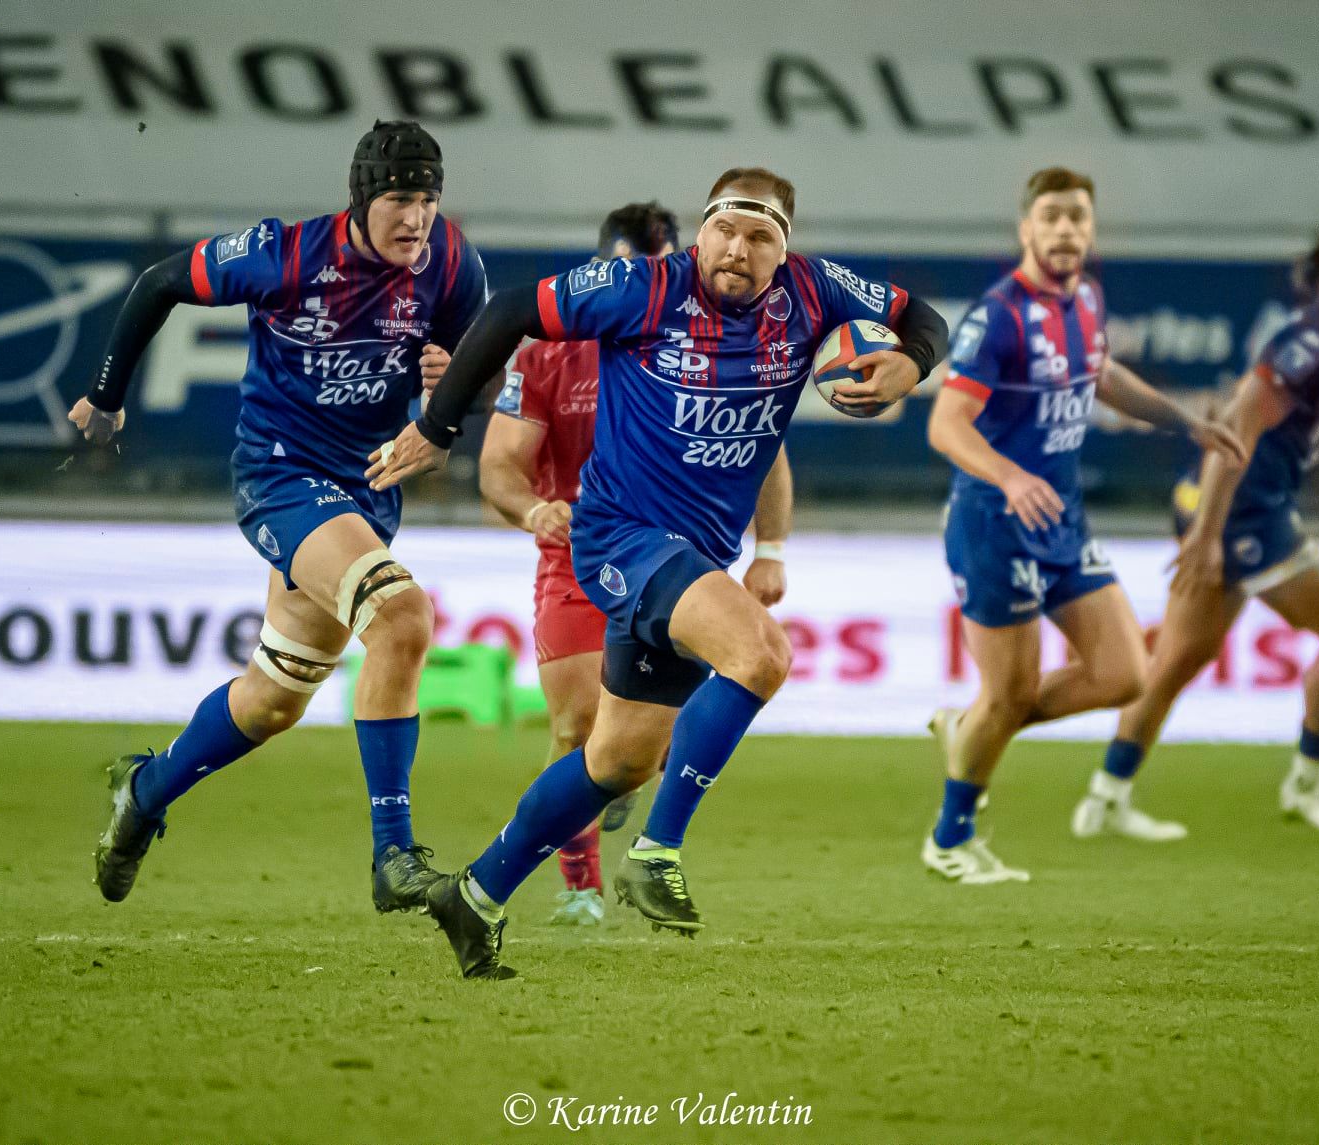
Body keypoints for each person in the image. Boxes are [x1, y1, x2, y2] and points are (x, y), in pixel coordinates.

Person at [372, 166, 949, 977]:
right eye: (725, 229)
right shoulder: (639, 289)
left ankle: (474, 894)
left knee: (617, 762)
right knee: (762, 654)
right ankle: (658, 850)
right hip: (620, 538)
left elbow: (919, 315)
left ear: (786, 251)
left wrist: (913, 361)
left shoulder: (816, 293)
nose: (738, 249)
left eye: (761, 237)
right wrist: (437, 425)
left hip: (694, 557)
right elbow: (508, 312)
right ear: (701, 229)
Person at [74, 122, 486, 912]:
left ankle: (145, 790)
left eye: (429, 199)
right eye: (401, 198)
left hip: (366, 492)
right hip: (282, 475)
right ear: (363, 197)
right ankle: (393, 855)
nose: (417, 218)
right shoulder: (284, 254)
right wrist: (107, 394)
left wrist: (448, 389)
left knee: (273, 699)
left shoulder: (453, 263)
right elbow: (160, 281)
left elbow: (472, 368)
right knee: (401, 618)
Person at [925, 167, 1244, 883]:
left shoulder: (1088, 302)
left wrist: (1186, 420)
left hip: (1063, 519)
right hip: (995, 522)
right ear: (1026, 229)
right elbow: (946, 426)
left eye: (1078, 217)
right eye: (1052, 216)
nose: (1066, 228)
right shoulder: (997, 316)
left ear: (1091, 229)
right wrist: (1007, 473)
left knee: (1125, 672)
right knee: (1009, 692)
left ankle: (969, 725)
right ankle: (951, 837)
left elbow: (1104, 376)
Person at [478, 200, 793, 927]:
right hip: (578, 555)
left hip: (674, 557)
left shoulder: (704, 339)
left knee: (629, 755)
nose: (636, 279)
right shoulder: (549, 356)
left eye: (650, 266)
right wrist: (532, 511)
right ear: (598, 269)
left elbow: (765, 451)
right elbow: (498, 466)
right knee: (576, 727)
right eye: (622, 266)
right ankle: (582, 885)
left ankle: (492, 880)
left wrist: (771, 548)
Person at [1087, 200, 1319, 838]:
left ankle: (1106, 795)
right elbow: (1233, 430)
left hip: (1241, 511)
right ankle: (1308, 785)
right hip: (1245, 515)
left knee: (1180, 657)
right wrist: (1207, 533)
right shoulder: (1307, 345)